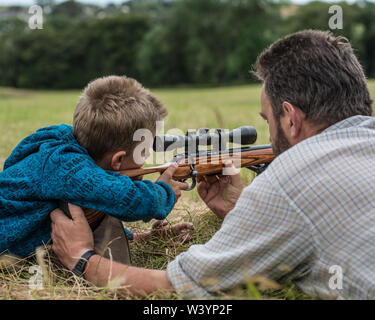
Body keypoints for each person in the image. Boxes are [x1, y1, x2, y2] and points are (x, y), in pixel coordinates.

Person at [51, 30, 375, 299]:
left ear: (290, 117)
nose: (269, 131)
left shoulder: (289, 179)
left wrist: (82, 260)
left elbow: (179, 290)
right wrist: (239, 213)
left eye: (268, 119)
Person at [0, 76, 192, 259]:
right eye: (143, 151)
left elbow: (96, 202)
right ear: (117, 160)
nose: (148, 155)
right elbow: (127, 198)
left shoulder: (65, 145)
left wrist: (139, 238)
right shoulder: (67, 167)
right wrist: (164, 192)